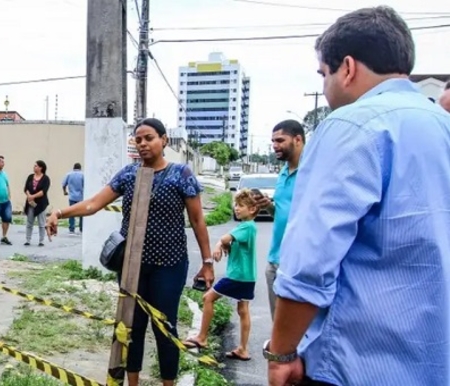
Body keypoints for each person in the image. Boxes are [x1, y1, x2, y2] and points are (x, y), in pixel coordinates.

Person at [266, 6, 450, 386]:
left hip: (355, 364)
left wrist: (282, 353)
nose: (325, 85)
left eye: (323, 74)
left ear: (346, 68)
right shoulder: (442, 126)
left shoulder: (352, 125)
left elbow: (309, 263)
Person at [45, 118, 213, 386]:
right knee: (130, 327)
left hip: (169, 265)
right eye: (138, 139)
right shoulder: (129, 174)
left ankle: (167, 383)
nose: (143, 144)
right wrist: (59, 212)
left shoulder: (181, 175)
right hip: (131, 265)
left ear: (164, 140)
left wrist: (207, 262)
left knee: (165, 328)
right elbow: (93, 204)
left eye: (149, 138)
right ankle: (131, 382)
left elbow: (197, 221)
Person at [184, 189, 258, 361]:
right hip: (248, 276)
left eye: (241, 206)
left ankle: (202, 337)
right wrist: (227, 246)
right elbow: (235, 244)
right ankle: (243, 349)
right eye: (236, 205)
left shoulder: (246, 226)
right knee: (243, 310)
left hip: (236, 276)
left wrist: (218, 245)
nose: (236, 209)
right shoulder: (249, 227)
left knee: (208, 298)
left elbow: (225, 238)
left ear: (253, 209)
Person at [252, 119, 305, 320]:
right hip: (275, 260)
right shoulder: (283, 171)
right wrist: (269, 206)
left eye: (280, 140)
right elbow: (282, 212)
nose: (275, 145)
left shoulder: (312, 171)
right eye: (273, 141)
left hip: (298, 263)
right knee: (278, 322)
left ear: (297, 139)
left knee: (297, 326)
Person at [23, 160, 51, 246]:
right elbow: (26, 188)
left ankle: (41, 240)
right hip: (30, 203)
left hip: (41, 204)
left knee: (41, 223)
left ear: (40, 168)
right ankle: (28, 240)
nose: (34, 167)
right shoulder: (30, 177)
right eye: (34, 166)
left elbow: (43, 191)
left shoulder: (46, 178)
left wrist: (33, 196)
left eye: (36, 166)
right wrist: (29, 195)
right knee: (29, 222)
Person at [62, 162, 84, 234]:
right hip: (81, 197)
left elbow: (63, 184)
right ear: (80, 168)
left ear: (73, 168)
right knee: (81, 213)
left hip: (72, 197)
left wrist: (65, 191)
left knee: (71, 212)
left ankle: (72, 228)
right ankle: (81, 228)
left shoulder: (69, 174)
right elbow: (85, 185)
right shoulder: (82, 175)